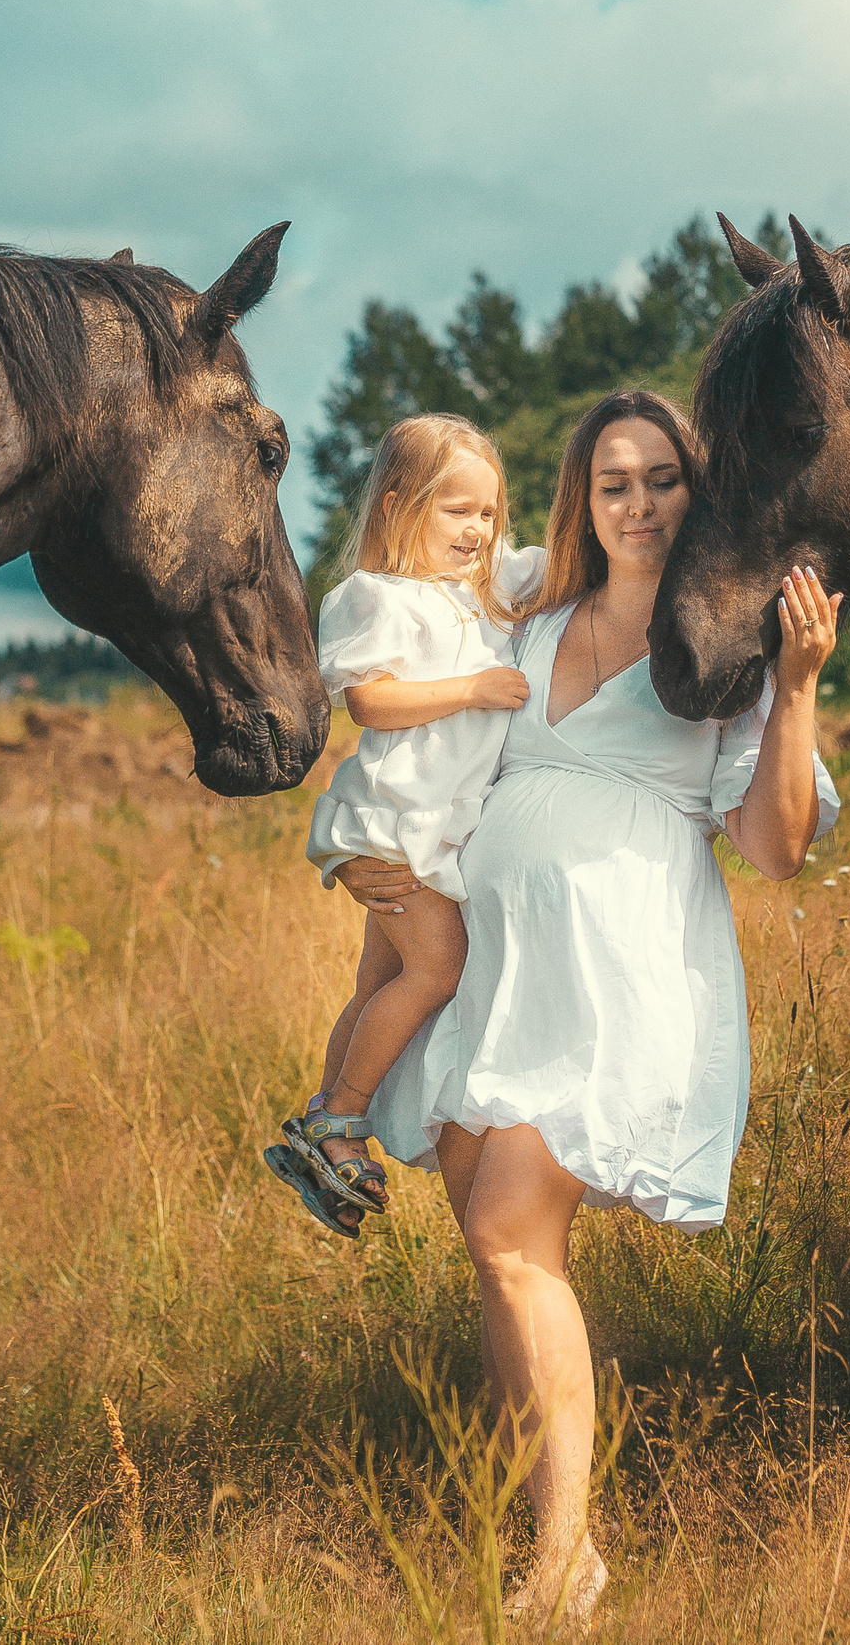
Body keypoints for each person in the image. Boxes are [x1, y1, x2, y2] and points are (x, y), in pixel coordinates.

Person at [339, 388, 839, 1627]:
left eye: (661, 478)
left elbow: (773, 848)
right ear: (583, 500)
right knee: (503, 1254)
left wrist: (801, 684)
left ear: (697, 489)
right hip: (486, 973)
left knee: (510, 1234)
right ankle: (549, 1528)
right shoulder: (527, 613)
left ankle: (564, 1558)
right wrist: (372, 905)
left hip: (614, 974)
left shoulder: (722, 650)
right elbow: (424, 753)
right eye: (612, 481)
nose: (637, 502)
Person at [267, 415, 546, 1238]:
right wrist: (473, 688)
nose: (478, 530)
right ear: (395, 510)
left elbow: (560, 558)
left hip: (432, 829)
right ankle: (340, 1116)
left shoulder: (482, 590)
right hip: (399, 823)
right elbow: (370, 701)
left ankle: (326, 1126)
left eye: (490, 514)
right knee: (440, 964)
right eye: (455, 510)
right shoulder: (375, 596)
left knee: (376, 984)